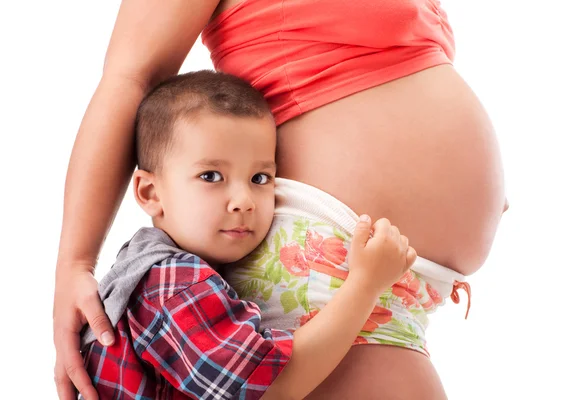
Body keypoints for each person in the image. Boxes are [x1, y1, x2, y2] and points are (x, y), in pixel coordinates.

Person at [54, 1, 509, 399]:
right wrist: (75, 264)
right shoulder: (173, 284)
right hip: (324, 264)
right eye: (210, 176)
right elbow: (132, 75)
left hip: (391, 277)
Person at [78, 70, 416, 399]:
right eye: (211, 176)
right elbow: (269, 389)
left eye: (259, 178)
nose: (243, 201)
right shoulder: (173, 284)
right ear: (151, 193)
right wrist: (365, 284)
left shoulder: (156, 270)